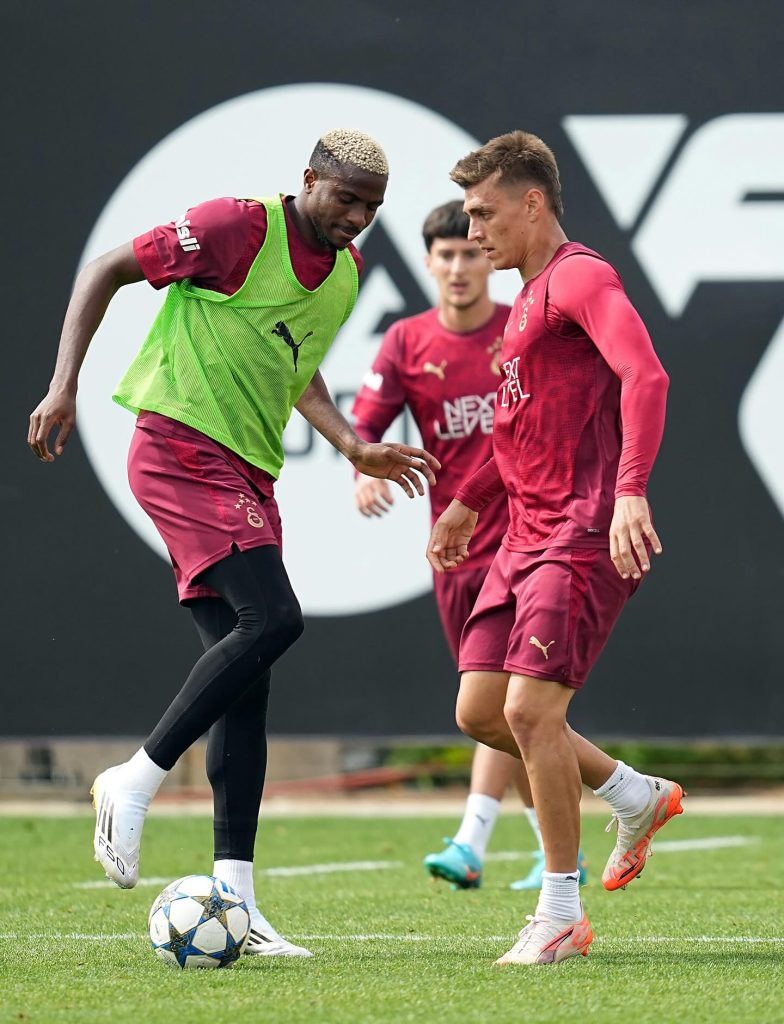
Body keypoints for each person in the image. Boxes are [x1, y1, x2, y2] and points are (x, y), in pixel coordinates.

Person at [28, 129, 439, 959]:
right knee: (275, 620)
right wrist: (63, 384)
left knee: (246, 683)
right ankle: (134, 778)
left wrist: (352, 446)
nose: (357, 218)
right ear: (308, 180)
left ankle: (237, 905)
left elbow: (298, 365)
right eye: (345, 198)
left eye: (371, 208)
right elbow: (105, 268)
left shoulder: (346, 274)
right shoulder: (236, 227)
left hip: (249, 470)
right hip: (180, 446)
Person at [427, 131, 682, 966]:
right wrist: (467, 503)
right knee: (479, 712)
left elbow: (647, 376)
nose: (474, 232)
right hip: (521, 536)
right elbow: (516, 433)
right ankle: (631, 793)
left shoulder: (579, 276)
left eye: (484, 213)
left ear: (532, 204)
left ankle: (561, 914)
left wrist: (631, 488)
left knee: (531, 713)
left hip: (579, 530)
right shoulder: (525, 302)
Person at [352, 199, 586, 892]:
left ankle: (473, 837)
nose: (458, 266)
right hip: (454, 551)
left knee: (509, 701)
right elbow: (365, 428)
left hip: (528, 539)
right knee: (496, 712)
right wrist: (362, 472)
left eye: (468, 253)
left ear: (488, 259)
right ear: (427, 263)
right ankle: (559, 845)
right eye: (444, 255)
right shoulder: (406, 342)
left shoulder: (522, 327)